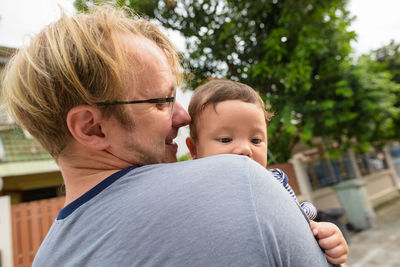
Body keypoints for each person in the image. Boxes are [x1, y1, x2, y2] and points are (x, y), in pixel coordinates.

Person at [2, 5, 333, 266]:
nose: (184, 116)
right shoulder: (235, 179)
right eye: (161, 102)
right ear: (92, 127)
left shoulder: (47, 259)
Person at [185, 79, 349, 265]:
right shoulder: (192, 195)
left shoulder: (275, 184)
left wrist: (326, 237)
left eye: (255, 140)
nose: (245, 149)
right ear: (194, 149)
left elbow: (302, 222)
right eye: (225, 139)